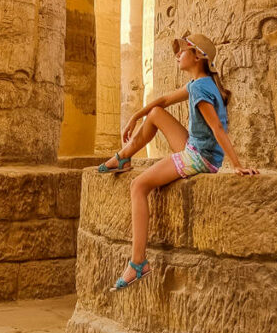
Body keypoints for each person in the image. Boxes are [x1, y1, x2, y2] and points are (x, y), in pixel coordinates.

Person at [97, 33, 258, 290]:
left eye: (182, 51)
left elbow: (217, 127)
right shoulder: (199, 83)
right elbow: (161, 102)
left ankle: (138, 262)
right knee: (156, 113)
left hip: (199, 157)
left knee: (138, 187)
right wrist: (135, 117)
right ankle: (124, 156)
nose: (177, 55)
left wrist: (236, 164)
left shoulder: (201, 89)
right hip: (196, 147)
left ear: (197, 57)